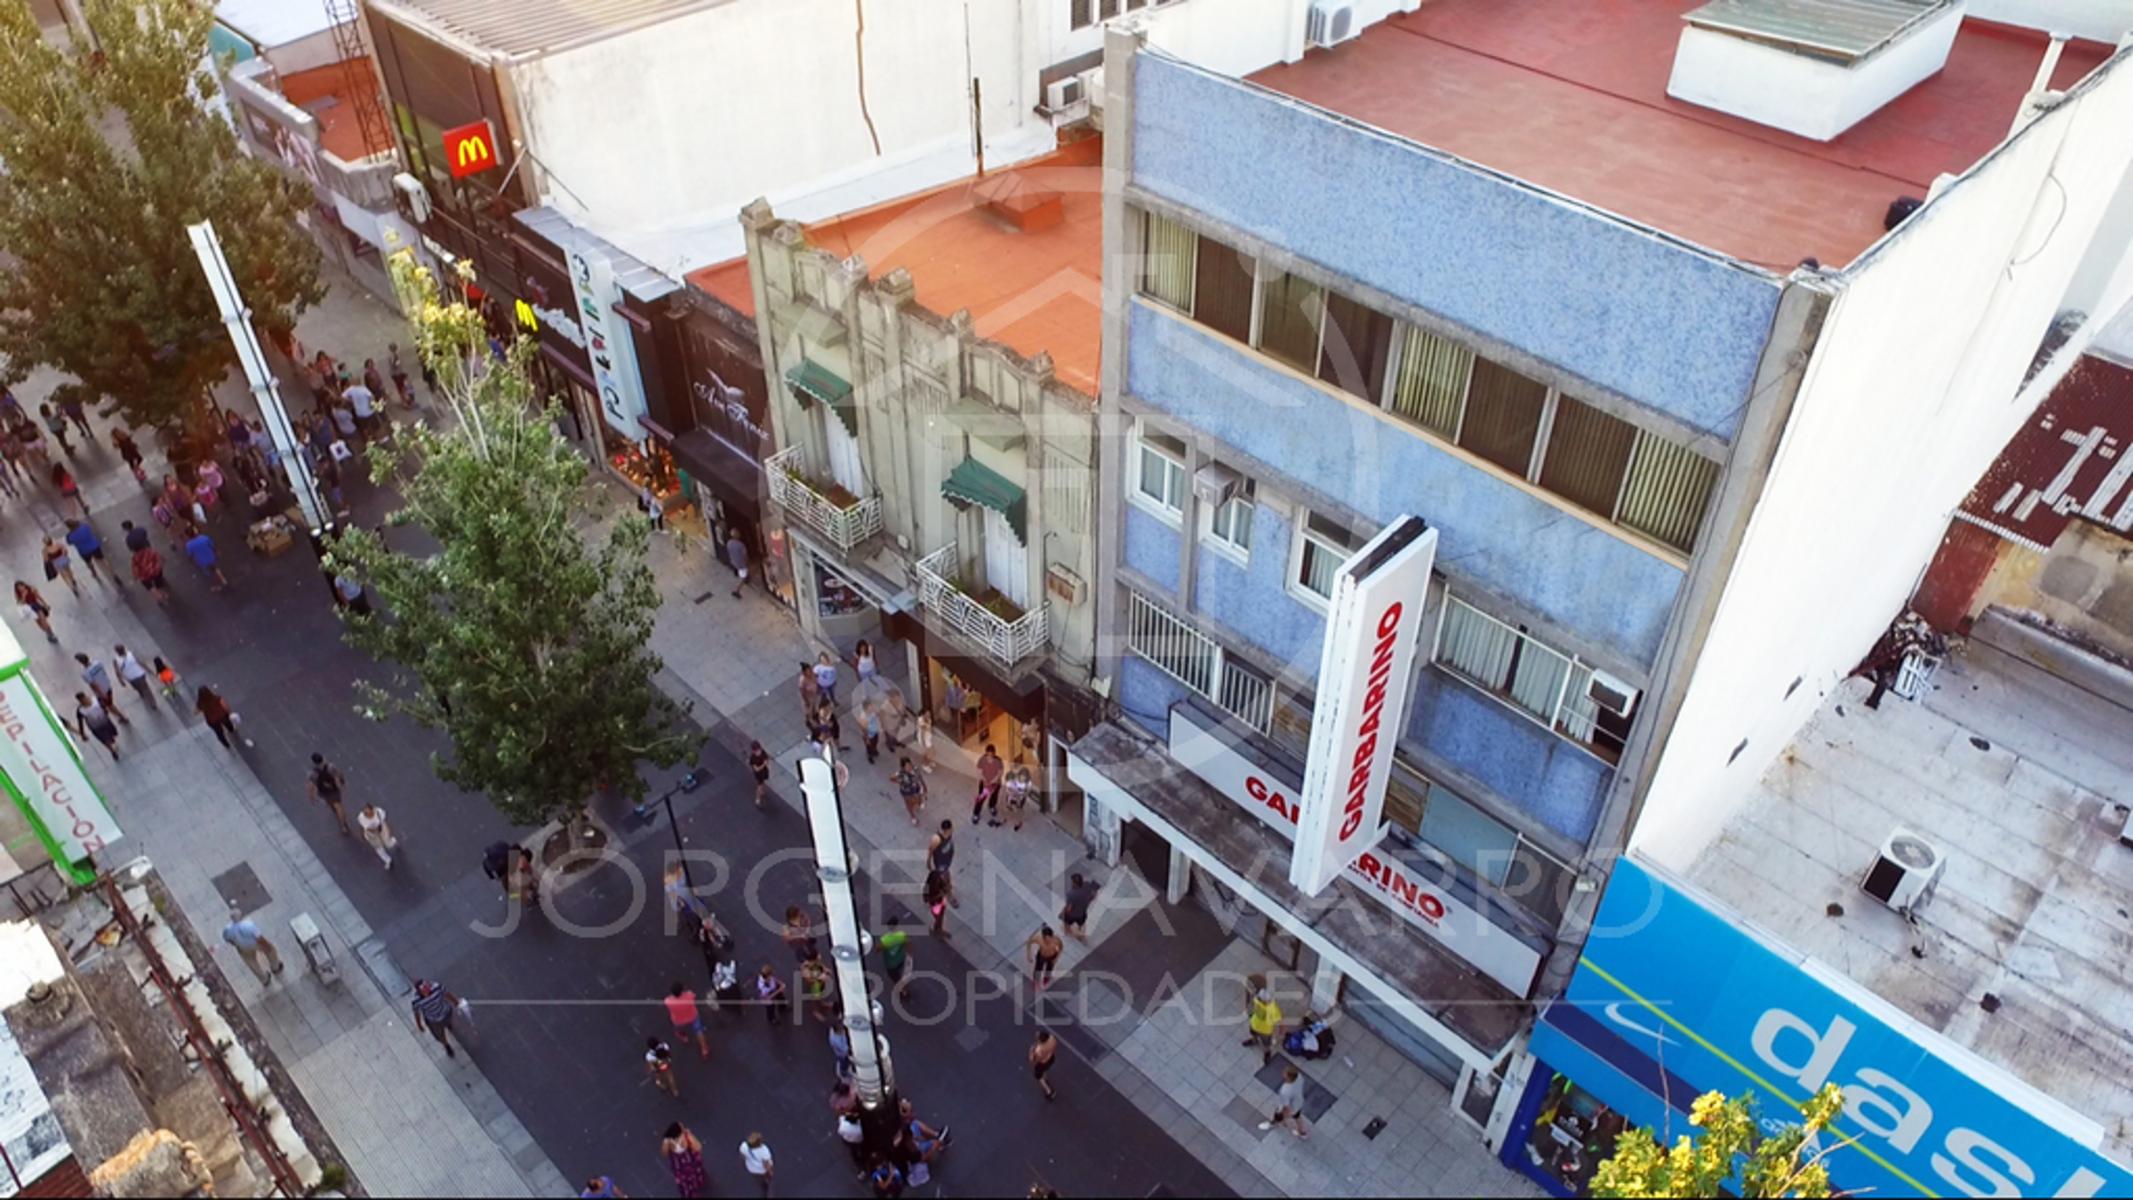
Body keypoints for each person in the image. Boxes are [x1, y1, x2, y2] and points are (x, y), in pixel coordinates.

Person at [221, 908, 284, 984]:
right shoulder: (248, 925)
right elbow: (259, 938)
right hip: (255, 944)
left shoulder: (227, 930)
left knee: (252, 963)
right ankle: (276, 967)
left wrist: (236, 945)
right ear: (241, 916)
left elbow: (228, 940)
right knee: (271, 951)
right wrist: (267, 946)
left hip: (242, 948)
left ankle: (264, 979)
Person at [410, 978, 463, 1057]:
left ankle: (448, 1025)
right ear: (420, 992)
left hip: (445, 1012)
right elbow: (416, 1013)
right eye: (424, 989)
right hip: (434, 1021)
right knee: (440, 1035)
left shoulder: (437, 987)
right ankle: (446, 1045)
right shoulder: (416, 1001)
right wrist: (419, 1025)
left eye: (427, 986)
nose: (427, 989)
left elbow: (447, 993)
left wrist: (455, 1001)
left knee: (448, 1021)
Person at [76, 652, 130, 725]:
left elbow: (93, 685)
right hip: (107, 685)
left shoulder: (85, 673)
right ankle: (120, 716)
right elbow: (104, 672)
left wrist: (101, 694)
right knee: (109, 704)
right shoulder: (97, 663)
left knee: (109, 705)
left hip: (102, 691)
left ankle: (123, 717)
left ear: (80, 662)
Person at [1261, 1065, 1312, 1138]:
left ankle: (1273, 1123)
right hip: (1298, 1102)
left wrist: (1283, 1113)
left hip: (1291, 1107)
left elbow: (1286, 1106)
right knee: (1297, 1117)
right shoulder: (1299, 1077)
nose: (1283, 1073)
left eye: (1285, 1073)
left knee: (1278, 1115)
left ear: (1289, 1077)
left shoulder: (1285, 1090)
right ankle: (1302, 1133)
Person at [308, 753, 352, 834]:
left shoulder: (313, 773)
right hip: (334, 789)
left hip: (324, 793)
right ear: (323, 758)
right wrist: (342, 783)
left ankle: (339, 817)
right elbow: (339, 774)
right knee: (339, 807)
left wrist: (311, 797)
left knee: (335, 805)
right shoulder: (330, 767)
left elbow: (311, 786)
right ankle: (343, 825)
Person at [666, 983, 710, 1059]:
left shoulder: (668, 1001)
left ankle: (684, 1038)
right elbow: (693, 995)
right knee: (699, 1031)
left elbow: (667, 1000)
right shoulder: (689, 996)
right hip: (693, 1017)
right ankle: (704, 1049)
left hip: (678, 1020)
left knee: (678, 1029)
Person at [662, 1124, 706, 1199]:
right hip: (690, 1160)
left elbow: (664, 1153)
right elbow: (698, 1147)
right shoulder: (686, 1136)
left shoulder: (669, 1142)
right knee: (695, 1172)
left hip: (679, 1165)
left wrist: (666, 1142)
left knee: (685, 1181)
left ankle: (689, 1191)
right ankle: (697, 1181)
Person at [1244, 982, 1284, 1064]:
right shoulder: (1257, 999)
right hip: (1254, 1023)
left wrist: (1280, 1031)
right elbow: (1252, 997)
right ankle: (1254, 1040)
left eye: (1260, 999)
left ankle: (1267, 1053)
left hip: (1265, 1031)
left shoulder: (1273, 1009)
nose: (1258, 999)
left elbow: (1279, 1021)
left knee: (1266, 1044)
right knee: (1253, 1033)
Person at [73, 692, 120, 759]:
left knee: (112, 734)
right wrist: (82, 734)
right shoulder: (80, 710)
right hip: (95, 728)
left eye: (84, 699)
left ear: (86, 696)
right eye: (81, 700)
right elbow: (80, 722)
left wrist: (106, 711)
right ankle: (112, 751)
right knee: (104, 740)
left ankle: (112, 741)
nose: (84, 701)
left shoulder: (96, 700)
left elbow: (104, 706)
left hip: (105, 722)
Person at [183, 525, 228, 591]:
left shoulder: (189, 545)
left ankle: (217, 585)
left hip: (202, 562)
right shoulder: (204, 538)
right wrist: (217, 552)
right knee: (215, 568)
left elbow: (190, 555)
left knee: (211, 574)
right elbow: (212, 546)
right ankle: (223, 580)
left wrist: (190, 560)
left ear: (187, 535)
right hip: (211, 557)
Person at [925, 820, 958, 910]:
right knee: (946, 881)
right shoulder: (937, 839)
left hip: (946, 863)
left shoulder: (949, 835)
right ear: (947, 829)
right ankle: (949, 896)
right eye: (950, 829)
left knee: (942, 881)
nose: (952, 830)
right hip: (940, 866)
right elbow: (930, 850)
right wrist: (928, 862)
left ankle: (939, 894)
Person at [63, 520, 108, 584]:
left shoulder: (70, 535)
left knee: (89, 563)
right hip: (94, 546)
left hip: (84, 551)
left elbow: (69, 542)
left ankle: (94, 573)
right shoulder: (84, 526)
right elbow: (90, 531)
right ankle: (112, 573)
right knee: (103, 560)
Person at [878, 914, 911, 999]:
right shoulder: (902, 935)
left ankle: (904, 992)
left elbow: (878, 949)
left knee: (896, 978)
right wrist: (909, 955)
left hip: (890, 964)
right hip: (900, 959)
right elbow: (907, 944)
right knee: (899, 973)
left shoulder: (885, 939)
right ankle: (903, 987)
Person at [1060, 873, 1100, 943]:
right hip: (1082, 912)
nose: (1071, 883)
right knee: (1081, 923)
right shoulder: (1087, 884)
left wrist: (1063, 912)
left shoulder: (1071, 894)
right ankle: (1080, 934)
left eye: (1072, 882)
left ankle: (1067, 931)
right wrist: (1089, 901)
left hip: (1072, 915)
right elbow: (1093, 895)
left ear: (1075, 883)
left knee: (1066, 921)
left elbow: (1069, 909)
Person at [131, 538, 171, 605]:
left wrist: (135, 577)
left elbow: (135, 569)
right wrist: (163, 561)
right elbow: (159, 557)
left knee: (149, 586)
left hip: (144, 575)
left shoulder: (135, 557)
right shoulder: (150, 551)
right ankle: (164, 594)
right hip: (155, 571)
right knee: (159, 583)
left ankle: (157, 596)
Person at [357, 803, 397, 869]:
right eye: (365, 814)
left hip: (381, 830)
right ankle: (388, 860)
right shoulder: (361, 817)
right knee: (378, 848)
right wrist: (362, 835)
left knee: (388, 844)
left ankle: (393, 841)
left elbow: (384, 821)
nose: (367, 815)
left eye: (368, 813)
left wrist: (388, 829)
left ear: (372, 810)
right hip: (371, 835)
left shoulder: (379, 812)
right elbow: (361, 826)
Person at [972, 744, 1004, 825]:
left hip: (995, 783)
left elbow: (1000, 773)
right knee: (981, 799)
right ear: (986, 753)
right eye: (987, 755)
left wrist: (993, 781)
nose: (989, 757)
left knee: (994, 796)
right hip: (984, 783)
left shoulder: (998, 761)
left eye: (991, 755)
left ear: (994, 754)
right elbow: (979, 771)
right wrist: (984, 780)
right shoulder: (982, 759)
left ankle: (992, 806)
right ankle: (976, 814)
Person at [1026, 925, 1064, 990]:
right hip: (1041, 956)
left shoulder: (1056, 940)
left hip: (1052, 956)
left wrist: (1056, 958)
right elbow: (1029, 942)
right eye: (1045, 939)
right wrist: (1028, 954)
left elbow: (1061, 948)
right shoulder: (1039, 939)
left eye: (1049, 939)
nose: (1047, 941)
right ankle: (1036, 981)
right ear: (1043, 937)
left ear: (1052, 936)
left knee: (1049, 968)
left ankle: (1046, 978)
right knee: (1038, 969)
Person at [738, 1132, 774, 1198]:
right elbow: (766, 1164)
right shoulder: (764, 1151)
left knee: (757, 1179)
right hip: (761, 1170)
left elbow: (743, 1155)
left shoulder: (744, 1146)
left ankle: (761, 1184)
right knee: (766, 1180)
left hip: (751, 1168)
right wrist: (770, 1172)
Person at [892, 757, 925, 826]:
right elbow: (891, 778)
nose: (909, 767)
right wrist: (898, 781)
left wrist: (924, 785)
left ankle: (920, 803)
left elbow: (920, 777)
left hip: (916, 788)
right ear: (903, 767)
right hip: (906, 792)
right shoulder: (901, 773)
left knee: (919, 796)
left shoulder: (915, 769)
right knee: (909, 804)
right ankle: (913, 817)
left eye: (910, 765)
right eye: (907, 766)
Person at [1030, 1029, 1059, 1100]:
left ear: (1040, 1041)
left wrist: (1031, 1051)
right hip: (1051, 1058)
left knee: (1038, 1076)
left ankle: (1049, 1091)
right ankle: (1045, 1077)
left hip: (1043, 1063)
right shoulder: (1052, 1038)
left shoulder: (1039, 1050)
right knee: (1045, 1069)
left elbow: (1032, 1059)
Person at [1003, 763, 1034, 831]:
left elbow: (1028, 792)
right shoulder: (1014, 780)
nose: (1023, 778)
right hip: (1011, 796)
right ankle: (1006, 818)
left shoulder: (1028, 783)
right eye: (1022, 776)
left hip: (1020, 798)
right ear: (1019, 775)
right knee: (1008, 807)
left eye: (1025, 777)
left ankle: (1018, 822)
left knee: (1018, 810)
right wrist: (1010, 793)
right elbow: (1007, 787)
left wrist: (1022, 795)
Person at [923, 869, 951, 938]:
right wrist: (941, 894)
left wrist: (947, 886)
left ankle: (938, 930)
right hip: (935, 904)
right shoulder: (929, 887)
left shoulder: (938, 879)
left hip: (940, 901)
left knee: (940, 917)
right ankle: (938, 931)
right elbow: (928, 899)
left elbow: (946, 888)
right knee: (939, 918)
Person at [748, 740, 771, 809]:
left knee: (762, 783)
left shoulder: (763, 752)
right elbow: (756, 769)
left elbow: (766, 758)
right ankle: (757, 799)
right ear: (753, 751)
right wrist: (764, 764)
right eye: (757, 751)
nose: (759, 752)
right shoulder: (753, 758)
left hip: (764, 771)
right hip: (759, 774)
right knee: (760, 786)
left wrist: (767, 764)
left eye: (759, 750)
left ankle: (762, 792)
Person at [858, 699, 882, 764]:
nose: (872, 706)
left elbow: (878, 715)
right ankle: (870, 756)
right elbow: (864, 729)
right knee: (869, 747)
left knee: (875, 742)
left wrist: (876, 711)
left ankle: (874, 750)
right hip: (869, 735)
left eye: (872, 705)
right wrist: (867, 738)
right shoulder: (863, 717)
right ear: (866, 708)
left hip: (875, 731)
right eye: (870, 706)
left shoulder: (872, 711)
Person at [726, 533, 748, 598]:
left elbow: (729, 551)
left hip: (734, 561)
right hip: (741, 564)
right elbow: (745, 555)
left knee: (739, 570)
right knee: (743, 577)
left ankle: (738, 574)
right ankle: (737, 590)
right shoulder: (740, 545)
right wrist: (746, 562)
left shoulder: (729, 543)